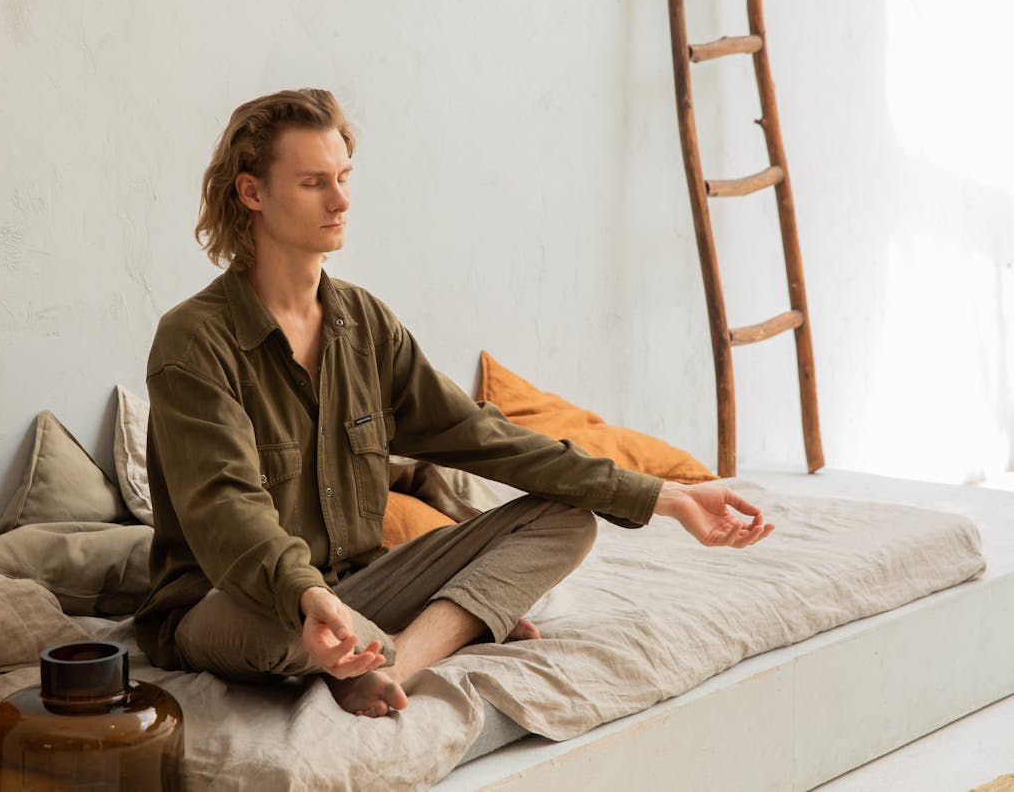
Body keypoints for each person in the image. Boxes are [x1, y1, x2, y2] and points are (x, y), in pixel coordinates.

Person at [134, 88, 773, 718]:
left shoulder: (364, 324)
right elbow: (226, 509)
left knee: (567, 519)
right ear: (252, 193)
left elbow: (483, 436)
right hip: (228, 603)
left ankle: (396, 663)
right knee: (281, 627)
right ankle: (441, 624)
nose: (341, 200)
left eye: (344, 177)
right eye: (313, 183)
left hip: (358, 587)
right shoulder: (193, 341)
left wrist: (669, 497)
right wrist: (304, 595)